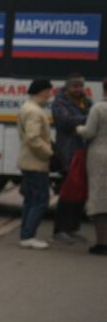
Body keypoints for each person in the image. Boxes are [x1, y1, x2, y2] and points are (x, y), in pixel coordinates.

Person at [51, 72, 93, 242]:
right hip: (68, 151)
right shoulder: (60, 102)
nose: (78, 89)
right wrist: (90, 118)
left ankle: (72, 228)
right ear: (67, 87)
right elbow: (66, 121)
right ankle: (60, 230)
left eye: (80, 86)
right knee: (68, 191)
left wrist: (88, 118)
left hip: (83, 151)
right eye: (75, 86)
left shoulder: (86, 101)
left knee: (80, 191)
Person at [18, 78, 55, 249]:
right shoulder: (34, 111)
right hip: (36, 162)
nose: (50, 94)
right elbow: (33, 138)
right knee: (40, 200)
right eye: (48, 91)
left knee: (30, 200)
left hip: (28, 161)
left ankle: (25, 234)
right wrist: (49, 153)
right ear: (41, 91)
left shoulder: (27, 107)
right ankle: (28, 236)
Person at [77, 97, 107, 254]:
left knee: (99, 198)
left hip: (100, 156)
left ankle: (102, 243)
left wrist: (79, 129)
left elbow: (89, 132)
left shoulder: (99, 108)